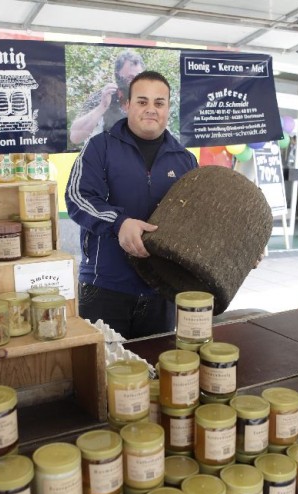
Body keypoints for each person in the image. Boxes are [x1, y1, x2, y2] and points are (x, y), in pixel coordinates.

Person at [65, 71, 198, 339]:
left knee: (154, 363)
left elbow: (197, 219)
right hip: (105, 287)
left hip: (162, 291)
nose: (151, 109)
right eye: (142, 101)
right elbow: (78, 196)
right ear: (127, 105)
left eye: (159, 103)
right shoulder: (99, 147)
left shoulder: (186, 160)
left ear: (168, 108)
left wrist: (237, 248)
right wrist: (119, 223)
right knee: (102, 363)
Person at [69, 50, 145, 145]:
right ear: (117, 75)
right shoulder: (101, 96)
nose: (135, 82)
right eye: (130, 78)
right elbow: (75, 137)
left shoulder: (147, 102)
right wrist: (102, 107)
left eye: (138, 77)